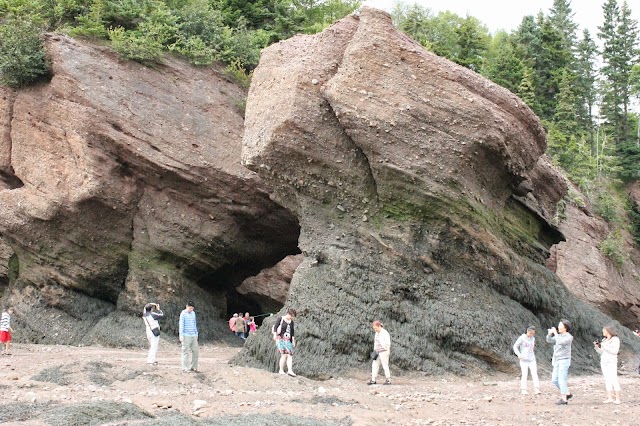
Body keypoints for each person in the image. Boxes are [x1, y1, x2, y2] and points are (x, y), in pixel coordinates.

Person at [546, 319, 573, 405]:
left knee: (562, 379)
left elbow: (561, 342)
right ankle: (567, 393)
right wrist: (549, 334)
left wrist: (556, 333)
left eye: (560, 325)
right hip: (557, 360)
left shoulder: (569, 337)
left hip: (564, 360)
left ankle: (564, 399)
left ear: (565, 327)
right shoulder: (559, 336)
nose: (558, 327)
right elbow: (549, 340)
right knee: (554, 380)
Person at [594, 325, 621, 404]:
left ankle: (618, 398)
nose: (603, 332)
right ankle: (610, 398)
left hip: (611, 362)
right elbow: (602, 352)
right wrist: (597, 348)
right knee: (607, 379)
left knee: (614, 378)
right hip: (604, 361)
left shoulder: (615, 339)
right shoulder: (604, 340)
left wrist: (604, 346)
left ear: (608, 331)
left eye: (604, 331)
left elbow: (614, 351)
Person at [513, 326, 541, 395]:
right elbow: (515, 346)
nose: (531, 335)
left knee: (534, 373)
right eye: (530, 333)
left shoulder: (533, 339)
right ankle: (524, 389)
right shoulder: (522, 338)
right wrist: (519, 354)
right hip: (524, 359)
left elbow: (531, 348)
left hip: (532, 359)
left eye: (533, 334)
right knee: (524, 374)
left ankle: (536, 388)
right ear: (527, 331)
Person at [272, 308, 297, 376]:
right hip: (280, 339)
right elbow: (275, 327)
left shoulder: (291, 322)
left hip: (288, 340)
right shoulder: (281, 318)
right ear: (289, 314)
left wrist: (293, 341)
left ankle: (290, 370)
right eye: (292, 316)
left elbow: (292, 332)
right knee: (283, 355)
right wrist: (275, 335)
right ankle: (281, 370)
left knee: (290, 355)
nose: (292, 317)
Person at [368, 320, 391, 385]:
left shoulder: (385, 333)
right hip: (377, 352)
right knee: (374, 365)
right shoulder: (376, 333)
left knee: (385, 365)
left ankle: (388, 380)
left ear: (379, 326)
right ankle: (373, 379)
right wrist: (375, 350)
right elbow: (376, 342)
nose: (375, 330)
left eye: (375, 328)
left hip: (384, 352)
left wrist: (387, 351)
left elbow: (388, 343)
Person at [179, 301, 199, 372]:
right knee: (185, 351)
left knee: (195, 351)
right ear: (186, 306)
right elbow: (181, 325)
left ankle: (193, 366)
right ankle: (185, 367)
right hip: (186, 335)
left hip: (193, 334)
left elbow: (194, 324)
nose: (191, 310)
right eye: (190, 308)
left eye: (192, 308)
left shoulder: (193, 313)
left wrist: (196, 333)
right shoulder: (183, 314)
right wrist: (181, 335)